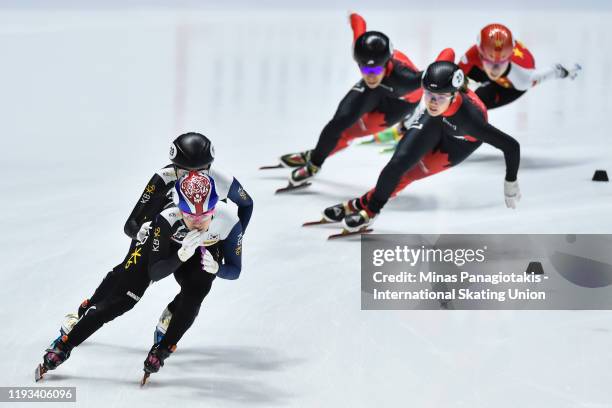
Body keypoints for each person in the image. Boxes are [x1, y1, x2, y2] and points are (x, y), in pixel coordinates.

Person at [38, 172, 243, 381]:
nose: (197, 222)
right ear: (179, 208)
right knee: (123, 300)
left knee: (197, 290)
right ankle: (64, 344)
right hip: (164, 249)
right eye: (190, 216)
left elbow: (235, 270)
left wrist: (218, 268)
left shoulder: (229, 221)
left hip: (201, 250)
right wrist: (180, 255)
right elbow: (155, 271)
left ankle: (163, 348)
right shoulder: (166, 218)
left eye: (205, 215)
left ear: (215, 207)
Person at [65, 132, 252, 337]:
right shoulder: (164, 178)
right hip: (163, 231)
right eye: (184, 172)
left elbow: (246, 203)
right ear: (173, 168)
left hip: (201, 232)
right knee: (126, 272)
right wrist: (139, 231)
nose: (193, 177)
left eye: (201, 171)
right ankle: (87, 310)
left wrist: (234, 239)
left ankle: (173, 312)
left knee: (200, 282)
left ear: (209, 167)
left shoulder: (222, 180)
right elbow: (131, 224)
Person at [321, 53, 521, 232]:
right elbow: (447, 54)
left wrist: (510, 182)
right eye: (429, 95)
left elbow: (511, 146)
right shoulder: (436, 105)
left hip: (458, 143)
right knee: (397, 165)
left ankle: (364, 206)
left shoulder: (470, 121)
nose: (433, 102)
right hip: (436, 122)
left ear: (454, 96)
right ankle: (370, 208)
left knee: (409, 174)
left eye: (440, 97)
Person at [277, 12, 423, 187]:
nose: (370, 76)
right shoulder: (362, 51)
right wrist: (353, 15)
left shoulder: (406, 78)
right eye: (364, 69)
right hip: (376, 92)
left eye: (375, 71)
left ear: (386, 64)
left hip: (400, 104)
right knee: (339, 123)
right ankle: (314, 164)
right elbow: (359, 25)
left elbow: (437, 77)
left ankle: (320, 151)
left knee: (351, 132)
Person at [459, 23, 580, 109]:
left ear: (509, 57)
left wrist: (562, 72)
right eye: (490, 62)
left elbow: (554, 71)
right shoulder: (471, 55)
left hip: (510, 86)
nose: (495, 69)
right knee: (457, 80)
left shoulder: (524, 78)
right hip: (492, 65)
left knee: (476, 104)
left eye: (501, 62)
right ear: (480, 56)